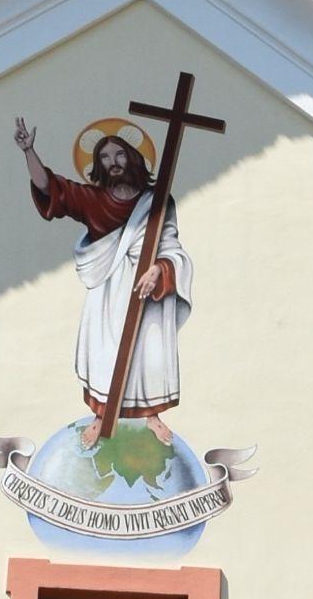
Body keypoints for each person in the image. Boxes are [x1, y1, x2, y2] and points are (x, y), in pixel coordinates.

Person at [14, 116, 191, 450]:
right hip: (109, 290)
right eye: (105, 158)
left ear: (134, 158)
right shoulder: (93, 200)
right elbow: (52, 189)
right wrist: (29, 151)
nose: (113, 163)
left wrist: (160, 269)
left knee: (148, 353)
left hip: (146, 289)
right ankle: (100, 416)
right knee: (105, 354)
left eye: (119, 155)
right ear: (98, 165)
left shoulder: (159, 201)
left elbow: (171, 244)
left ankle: (151, 415)